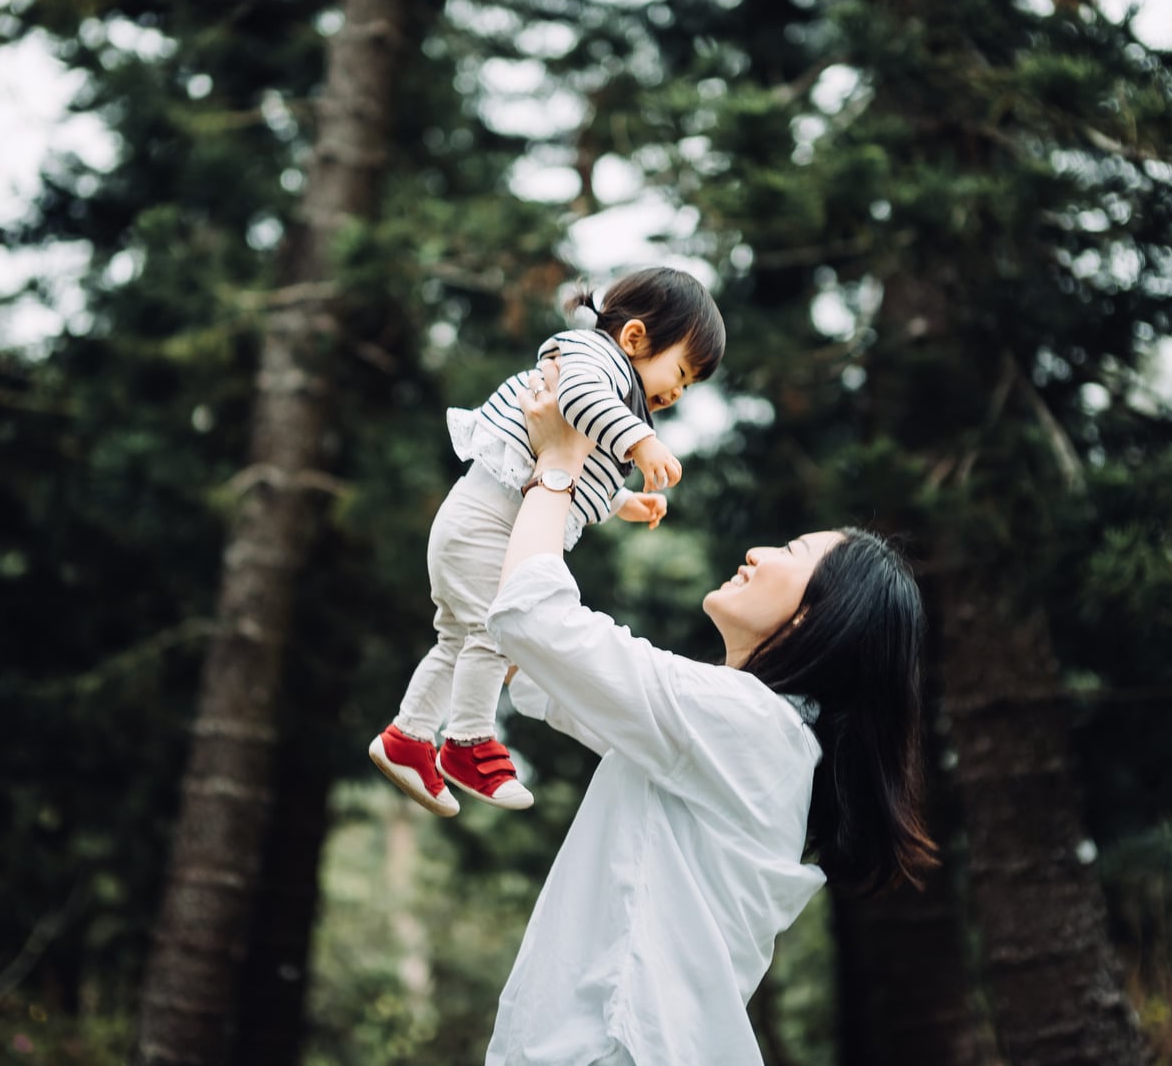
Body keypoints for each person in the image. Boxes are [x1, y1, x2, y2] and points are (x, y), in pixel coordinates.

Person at [480, 354, 935, 1066]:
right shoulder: (739, 734)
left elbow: (534, 621)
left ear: (822, 617)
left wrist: (561, 464)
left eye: (790, 550)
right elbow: (532, 659)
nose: (755, 552)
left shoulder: (747, 726)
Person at [370, 268, 726, 815]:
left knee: (459, 642)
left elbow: (566, 461)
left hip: (480, 522)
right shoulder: (592, 359)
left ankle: (407, 739)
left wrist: (620, 501)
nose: (676, 392)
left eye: (688, 387)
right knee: (498, 632)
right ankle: (467, 743)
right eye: (679, 373)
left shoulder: (618, 390)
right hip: (486, 523)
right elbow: (579, 402)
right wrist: (643, 441)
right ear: (634, 337)